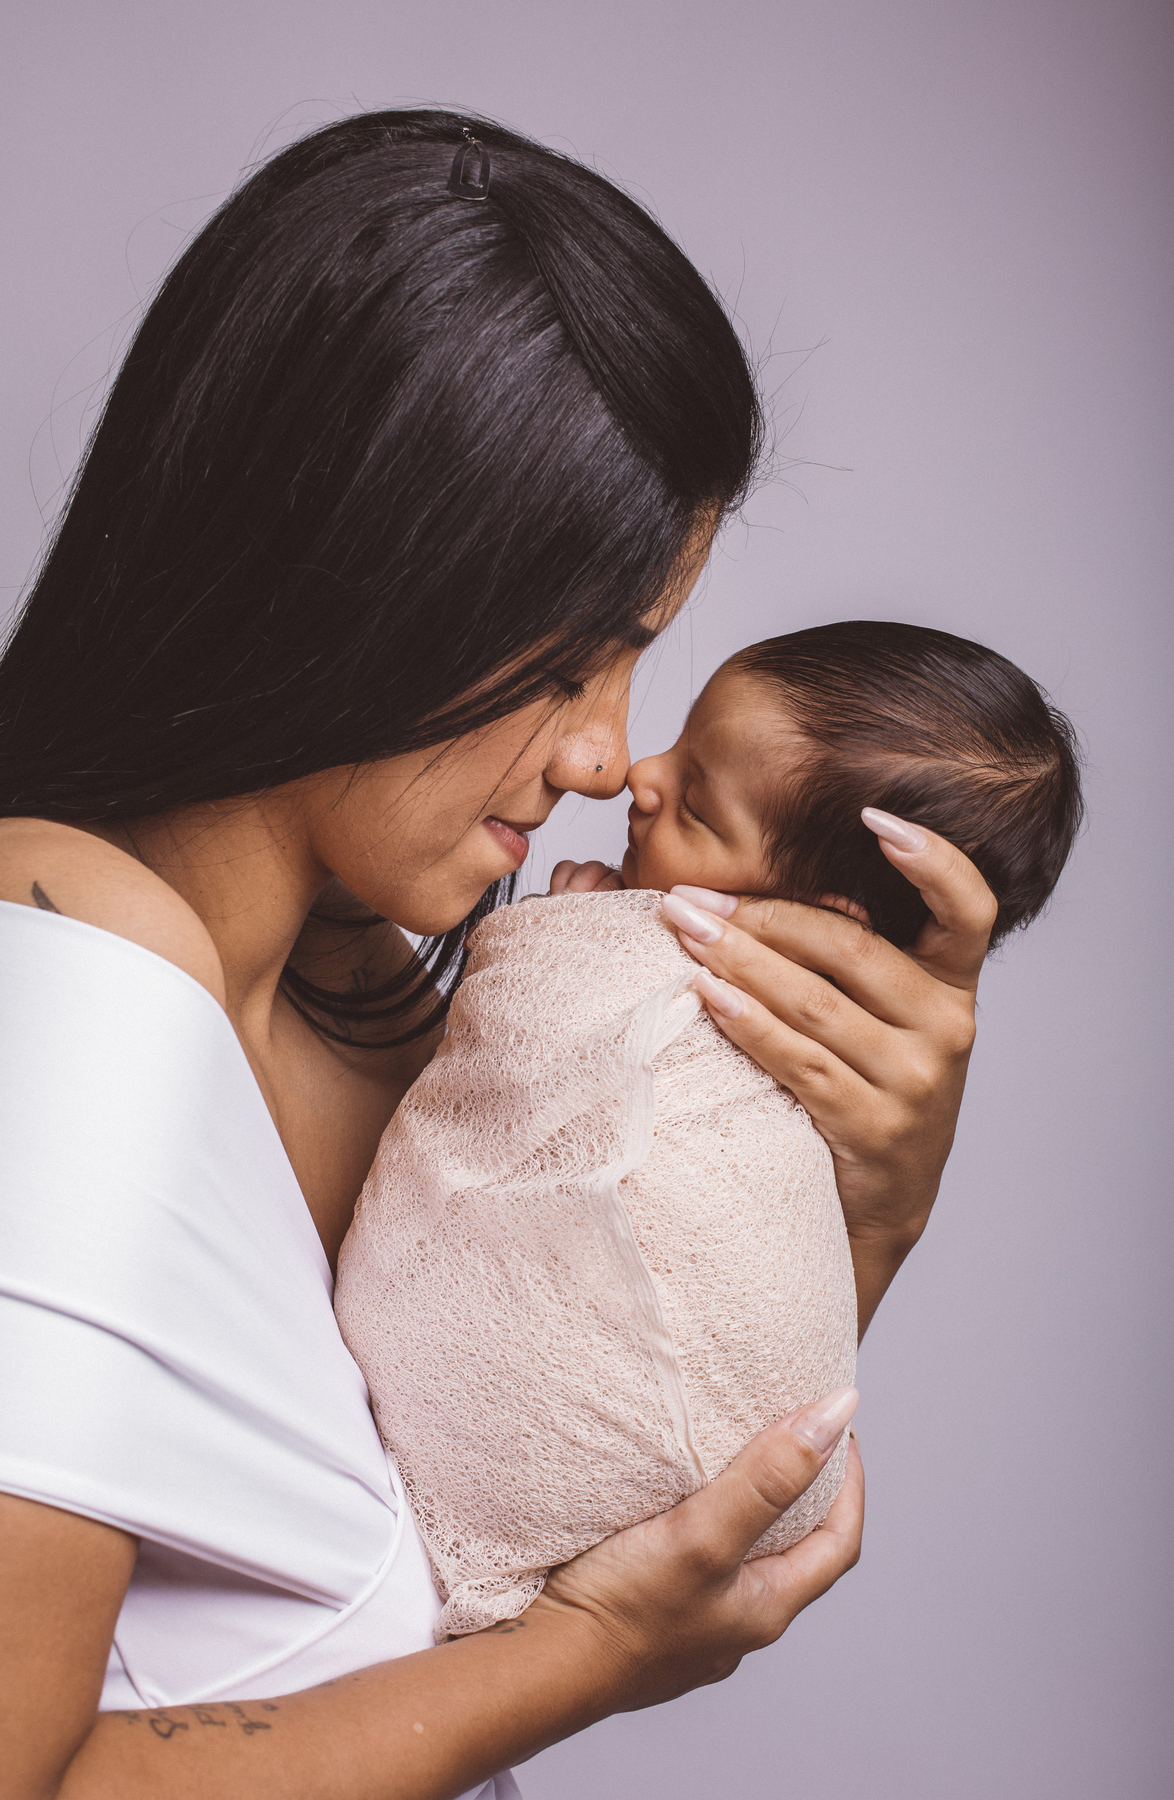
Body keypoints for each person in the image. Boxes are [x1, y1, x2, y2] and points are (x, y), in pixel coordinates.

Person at [0, 111, 994, 1799]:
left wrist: (871, 1200)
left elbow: (611, 1503)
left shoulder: (373, 1006)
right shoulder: (71, 967)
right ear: (364, 577)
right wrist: (578, 1664)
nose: (603, 754)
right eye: (575, 659)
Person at [335, 620, 1082, 1639]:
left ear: (818, 917)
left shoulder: (806, 1065)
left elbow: (720, 1301)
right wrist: (571, 943)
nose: (634, 774)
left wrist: (563, 941)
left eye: (695, 804)